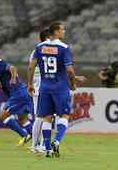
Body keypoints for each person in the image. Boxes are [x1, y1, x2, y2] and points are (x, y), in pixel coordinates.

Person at [27, 22, 76, 158]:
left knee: (46, 118)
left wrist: (30, 84)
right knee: (64, 116)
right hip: (60, 87)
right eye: (62, 30)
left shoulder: (40, 47)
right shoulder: (64, 48)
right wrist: (72, 84)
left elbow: (31, 67)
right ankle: (57, 141)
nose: (64, 32)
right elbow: (70, 71)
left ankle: (47, 149)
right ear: (55, 32)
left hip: (44, 87)